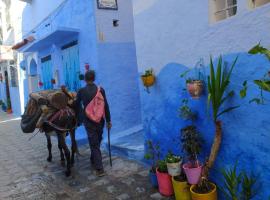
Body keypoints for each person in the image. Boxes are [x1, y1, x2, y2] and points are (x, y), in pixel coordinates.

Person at [75, 70, 112, 177]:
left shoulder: (81, 91)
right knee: (97, 140)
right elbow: (106, 106)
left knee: (94, 143)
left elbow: (76, 104)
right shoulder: (101, 90)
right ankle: (94, 158)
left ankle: (99, 169)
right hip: (100, 120)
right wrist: (109, 121)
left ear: (85, 79)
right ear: (94, 78)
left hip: (88, 120)